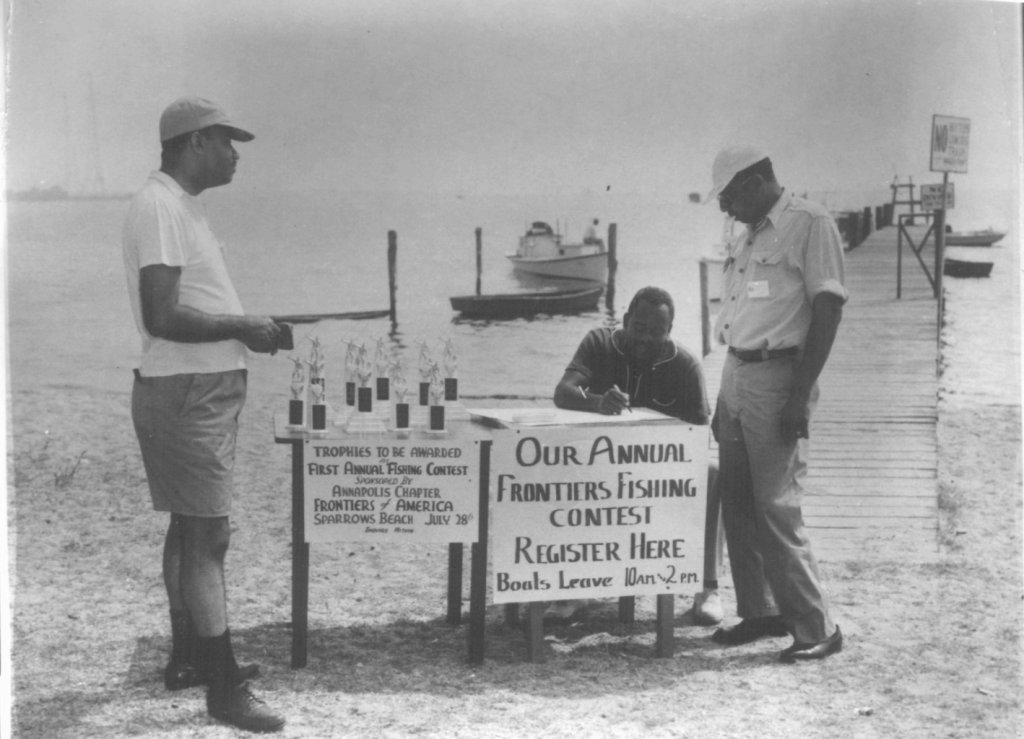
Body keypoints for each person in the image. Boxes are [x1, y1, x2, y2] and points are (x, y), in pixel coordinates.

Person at [123, 96, 286, 731]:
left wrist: (244, 333)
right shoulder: (161, 206)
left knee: (190, 531)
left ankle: (189, 656)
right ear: (192, 142)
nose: (235, 152)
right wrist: (245, 324)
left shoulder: (175, 205)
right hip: (189, 391)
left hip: (191, 388)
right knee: (209, 538)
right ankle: (223, 689)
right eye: (225, 140)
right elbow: (162, 316)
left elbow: (179, 306)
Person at [704, 144, 846, 662]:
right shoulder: (748, 237)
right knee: (737, 501)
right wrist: (725, 394)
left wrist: (800, 393)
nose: (724, 208)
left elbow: (827, 308)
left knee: (776, 504)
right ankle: (761, 610)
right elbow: (742, 316)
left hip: (778, 375)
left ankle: (816, 628)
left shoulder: (810, 223)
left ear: (752, 182)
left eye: (727, 196)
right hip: (737, 373)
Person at [551, 286, 725, 624]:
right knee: (560, 470)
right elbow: (563, 392)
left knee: (713, 472)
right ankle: (571, 588)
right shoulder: (598, 343)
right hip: (600, 468)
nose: (646, 338)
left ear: (669, 332)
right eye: (640, 328)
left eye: (657, 332)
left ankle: (708, 587)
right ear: (626, 321)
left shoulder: (686, 365)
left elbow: (699, 435)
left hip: (658, 477)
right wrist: (596, 401)